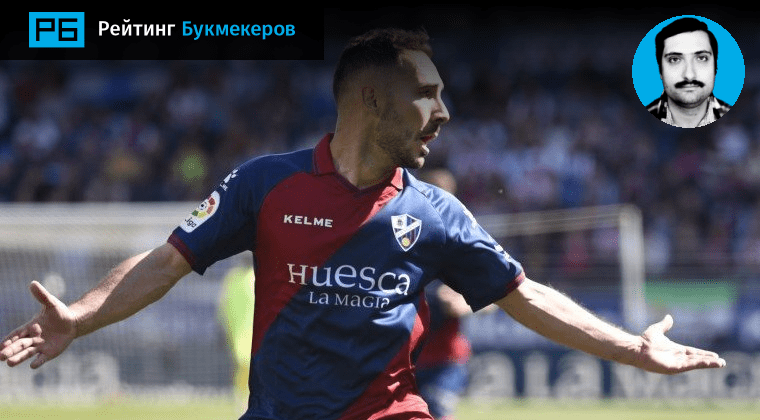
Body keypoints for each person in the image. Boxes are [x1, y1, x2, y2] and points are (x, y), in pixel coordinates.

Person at [1, 27, 726, 420]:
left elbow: (524, 295)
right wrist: (82, 317)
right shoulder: (265, 184)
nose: (444, 113)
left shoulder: (436, 213)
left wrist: (633, 349)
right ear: (372, 101)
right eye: (426, 95)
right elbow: (168, 260)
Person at [414, 168, 476, 420]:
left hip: (444, 357)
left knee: (438, 412)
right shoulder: (403, 233)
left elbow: (497, 294)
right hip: (405, 357)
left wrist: (464, 303)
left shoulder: (461, 240)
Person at [645, 17, 732, 128]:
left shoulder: (732, 117)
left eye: (701, 58)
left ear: (715, 67)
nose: (689, 75)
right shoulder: (642, 119)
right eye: (674, 59)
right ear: (660, 69)